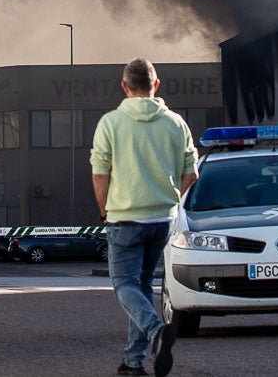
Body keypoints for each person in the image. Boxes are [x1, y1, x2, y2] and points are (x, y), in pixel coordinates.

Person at [91, 58, 197, 377]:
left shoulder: (110, 123)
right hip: (161, 219)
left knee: (123, 283)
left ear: (125, 87)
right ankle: (133, 361)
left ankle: (156, 331)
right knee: (141, 283)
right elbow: (191, 173)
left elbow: (99, 174)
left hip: (124, 217)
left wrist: (105, 210)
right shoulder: (177, 123)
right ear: (156, 84)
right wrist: (171, 200)